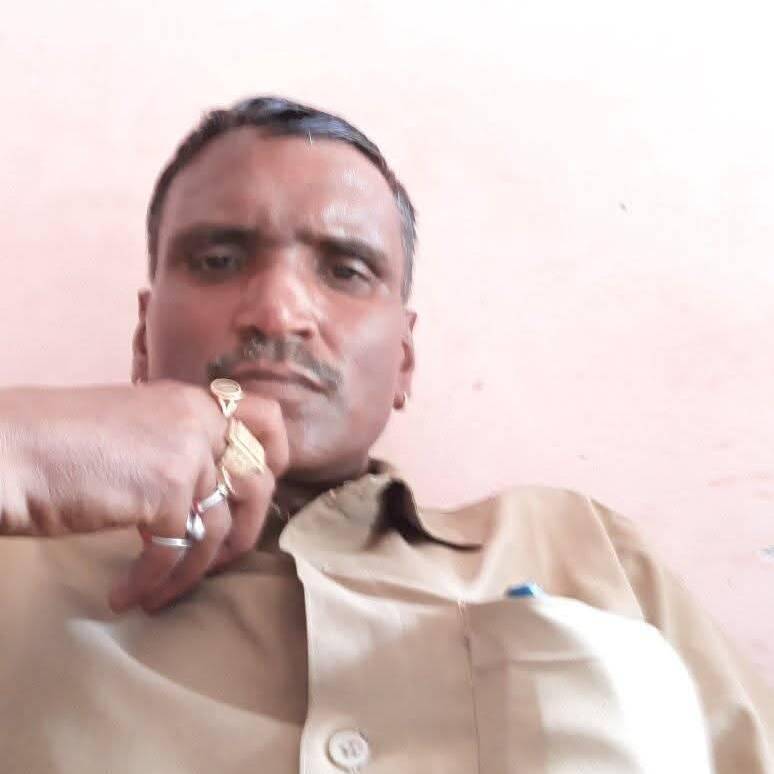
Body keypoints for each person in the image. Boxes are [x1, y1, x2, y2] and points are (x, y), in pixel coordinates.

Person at [0, 96, 771, 773]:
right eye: (219, 259)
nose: (278, 312)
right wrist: (20, 447)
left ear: (404, 358)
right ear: (143, 336)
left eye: (345, 270)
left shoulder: (585, 550)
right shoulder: (17, 564)